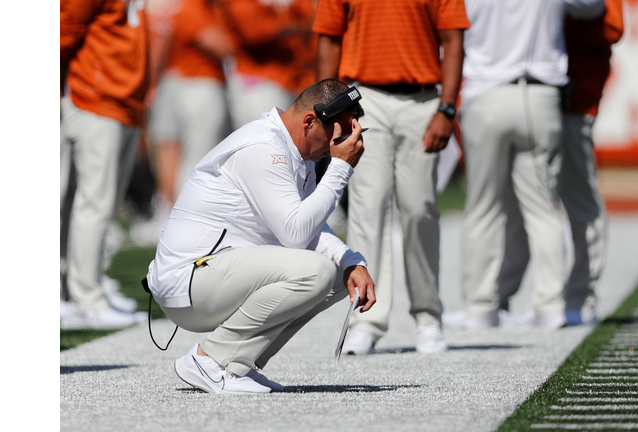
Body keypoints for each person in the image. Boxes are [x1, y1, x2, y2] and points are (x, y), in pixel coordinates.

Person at [145, 79, 375, 394]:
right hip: (188, 281)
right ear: (309, 121)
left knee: (338, 272)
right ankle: (210, 359)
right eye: (336, 135)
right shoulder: (264, 148)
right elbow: (295, 234)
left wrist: (351, 260)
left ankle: (237, 363)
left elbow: (309, 227)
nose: (336, 146)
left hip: (211, 274)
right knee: (317, 270)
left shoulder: (293, 148)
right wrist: (340, 169)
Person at [313, 0, 470, 354]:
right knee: (369, 208)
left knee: (420, 210)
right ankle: (367, 319)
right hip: (363, 96)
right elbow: (329, 40)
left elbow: (453, 40)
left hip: (423, 98)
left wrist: (447, 108)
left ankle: (428, 317)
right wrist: (326, 110)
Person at [442, 0, 605, 330]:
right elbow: (592, 6)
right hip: (540, 96)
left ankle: (480, 308)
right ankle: (550, 306)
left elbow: (445, 28)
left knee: (482, 209)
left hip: (484, 94)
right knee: (543, 210)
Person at [60, 0, 151, 329]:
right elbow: (65, 29)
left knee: (101, 203)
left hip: (122, 98)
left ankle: (87, 285)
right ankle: (85, 297)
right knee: (91, 203)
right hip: (96, 95)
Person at [130, 0, 236, 247]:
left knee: (171, 153)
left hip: (171, 82)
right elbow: (220, 44)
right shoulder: (191, 6)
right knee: (198, 158)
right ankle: (188, 222)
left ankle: (171, 216)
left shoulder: (171, 7)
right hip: (197, 85)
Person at [559, 0, 624, 326]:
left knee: (580, 199)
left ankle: (581, 296)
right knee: (512, 204)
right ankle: (498, 300)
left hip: (574, 99)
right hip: (528, 95)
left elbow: (613, 25)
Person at [219, 0, 317, 129]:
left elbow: (312, 17)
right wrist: (300, 27)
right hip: (256, 83)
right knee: (260, 140)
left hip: (291, 81)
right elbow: (253, 32)